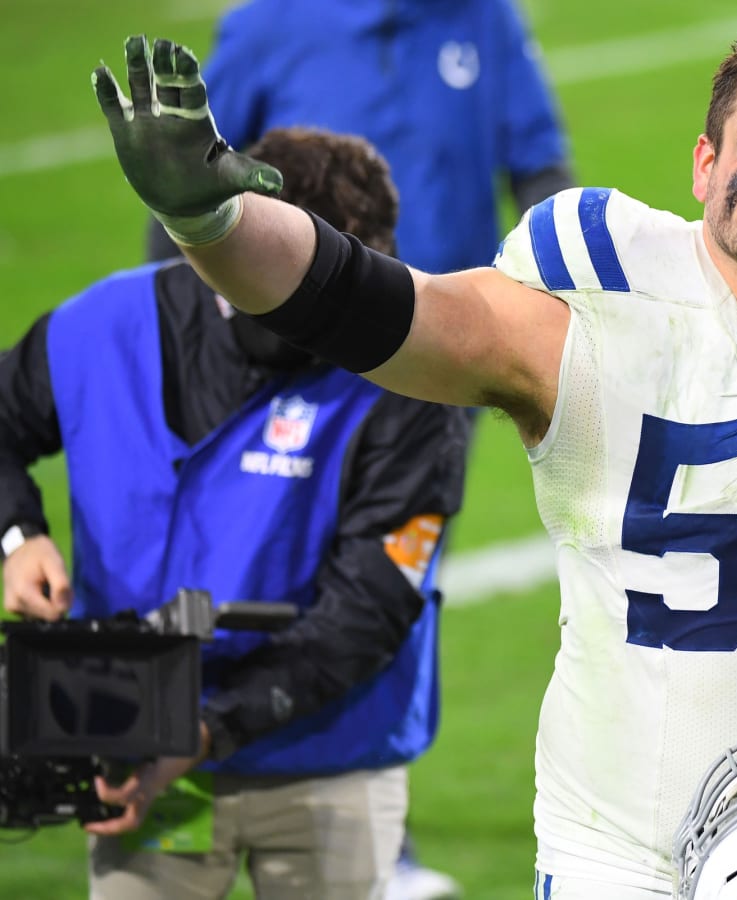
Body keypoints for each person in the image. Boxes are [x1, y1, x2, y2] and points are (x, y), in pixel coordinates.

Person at [91, 23, 737, 898]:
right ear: (704, 165)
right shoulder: (605, 301)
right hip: (610, 862)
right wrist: (212, 219)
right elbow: (370, 304)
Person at [0, 124, 471, 898]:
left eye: (357, 282)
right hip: (143, 747)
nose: (352, 313)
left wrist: (204, 729)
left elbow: (368, 611)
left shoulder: (416, 375)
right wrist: (20, 536)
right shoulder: (98, 328)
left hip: (329, 757)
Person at [144, 0, 576, 272]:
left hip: (452, 340)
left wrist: (575, 277)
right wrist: (180, 320)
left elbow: (538, 165)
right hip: (314, 340)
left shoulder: (483, 13)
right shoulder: (266, 26)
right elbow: (195, 177)